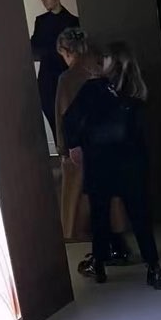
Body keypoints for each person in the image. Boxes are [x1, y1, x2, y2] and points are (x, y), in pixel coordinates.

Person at [63, 42, 161, 290]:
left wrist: (75, 145)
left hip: (100, 159)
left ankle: (98, 264)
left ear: (111, 62)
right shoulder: (136, 91)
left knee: (100, 215)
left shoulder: (94, 88)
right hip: (132, 161)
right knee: (140, 217)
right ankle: (154, 268)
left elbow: (70, 119)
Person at [54, 28, 130, 271]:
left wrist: (64, 148)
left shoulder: (67, 78)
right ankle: (118, 246)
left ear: (66, 51)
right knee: (112, 198)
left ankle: (100, 254)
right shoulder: (99, 70)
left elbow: (63, 116)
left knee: (87, 202)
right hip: (109, 145)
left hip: (82, 148)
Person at [30, 0, 80, 137]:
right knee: (52, 115)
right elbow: (33, 48)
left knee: (70, 117)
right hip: (47, 79)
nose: (43, 1)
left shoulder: (73, 21)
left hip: (66, 77)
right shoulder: (41, 21)